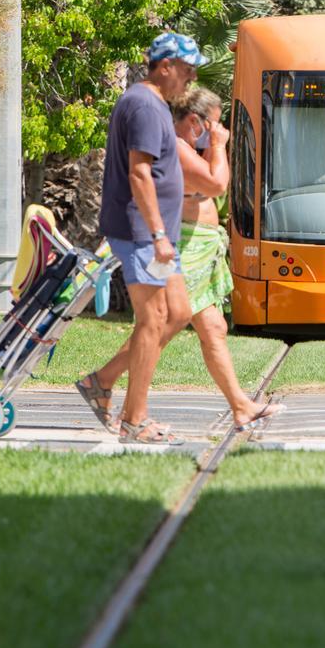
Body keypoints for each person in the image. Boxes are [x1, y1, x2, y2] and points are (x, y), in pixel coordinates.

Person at [75, 32, 207, 444]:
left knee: (179, 312)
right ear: (165, 66)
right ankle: (134, 420)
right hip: (144, 233)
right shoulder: (147, 106)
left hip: (154, 234)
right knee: (152, 321)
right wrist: (157, 235)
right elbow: (139, 173)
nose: (191, 79)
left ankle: (102, 381)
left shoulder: (150, 104)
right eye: (187, 70)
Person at [172, 88, 284, 430]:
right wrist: (218, 146)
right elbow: (217, 185)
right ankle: (102, 380)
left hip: (200, 247)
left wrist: (211, 147)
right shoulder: (177, 148)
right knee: (160, 328)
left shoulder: (190, 149)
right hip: (187, 247)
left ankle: (240, 406)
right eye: (215, 124)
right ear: (197, 121)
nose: (219, 131)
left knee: (215, 328)